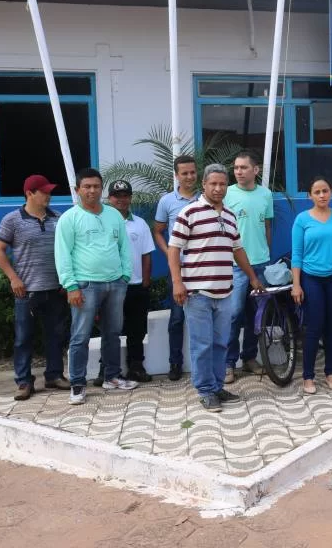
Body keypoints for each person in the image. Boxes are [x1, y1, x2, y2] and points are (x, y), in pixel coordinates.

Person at [168, 164, 264, 412]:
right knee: (202, 345)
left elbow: (238, 250)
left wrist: (252, 277)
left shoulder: (230, 216)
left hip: (225, 292)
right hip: (197, 292)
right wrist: (178, 282)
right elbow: (174, 249)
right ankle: (205, 390)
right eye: (214, 184)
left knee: (221, 343)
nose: (219, 188)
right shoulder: (189, 213)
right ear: (204, 185)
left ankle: (217, 385)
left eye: (222, 184)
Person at [56, 168, 137, 405]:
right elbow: (62, 255)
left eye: (96, 186)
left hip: (115, 283)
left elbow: (123, 246)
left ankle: (111, 376)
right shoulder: (69, 219)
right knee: (80, 335)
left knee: (112, 332)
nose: (92, 191)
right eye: (87, 187)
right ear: (77, 190)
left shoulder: (114, 215)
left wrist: (124, 275)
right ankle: (78, 384)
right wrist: (71, 286)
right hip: (85, 285)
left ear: (102, 189)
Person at [0, 174, 70, 400]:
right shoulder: (12, 220)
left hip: (55, 288)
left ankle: (54, 375)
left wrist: (67, 280)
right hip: (26, 291)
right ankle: (24, 381)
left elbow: (68, 251)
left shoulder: (59, 218)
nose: (49, 195)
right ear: (29, 193)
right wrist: (13, 278)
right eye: (44, 192)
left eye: (49, 191)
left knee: (56, 335)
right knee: (23, 337)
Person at [292, 177, 332, 395]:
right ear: (309, 195)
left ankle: (330, 372)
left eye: (325, 191)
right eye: (317, 192)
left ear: (331, 193)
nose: (322, 195)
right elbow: (297, 255)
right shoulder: (302, 220)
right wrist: (296, 285)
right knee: (314, 327)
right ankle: (308, 377)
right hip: (311, 279)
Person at [224, 151, 274, 384]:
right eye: (236, 168)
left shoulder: (266, 194)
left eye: (244, 167)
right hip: (234, 265)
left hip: (260, 263)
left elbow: (266, 226)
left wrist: (266, 253)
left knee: (257, 315)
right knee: (233, 315)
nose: (239, 172)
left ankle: (250, 357)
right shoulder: (226, 193)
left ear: (256, 170)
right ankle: (228, 363)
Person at [154, 155, 199, 381]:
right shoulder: (167, 201)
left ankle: (204, 364)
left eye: (192, 172)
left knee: (204, 317)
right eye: (184, 173)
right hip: (179, 270)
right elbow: (158, 231)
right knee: (177, 318)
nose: (189, 176)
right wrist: (170, 253)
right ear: (176, 175)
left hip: (203, 269)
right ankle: (175, 363)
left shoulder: (206, 198)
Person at [107, 180, 155, 383]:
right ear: (110, 199)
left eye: (125, 195)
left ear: (130, 198)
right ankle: (107, 369)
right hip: (111, 285)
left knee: (136, 329)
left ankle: (136, 366)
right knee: (112, 329)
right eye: (117, 196)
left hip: (135, 285)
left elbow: (146, 254)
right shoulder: (103, 222)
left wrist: (145, 281)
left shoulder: (140, 223)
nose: (121, 200)